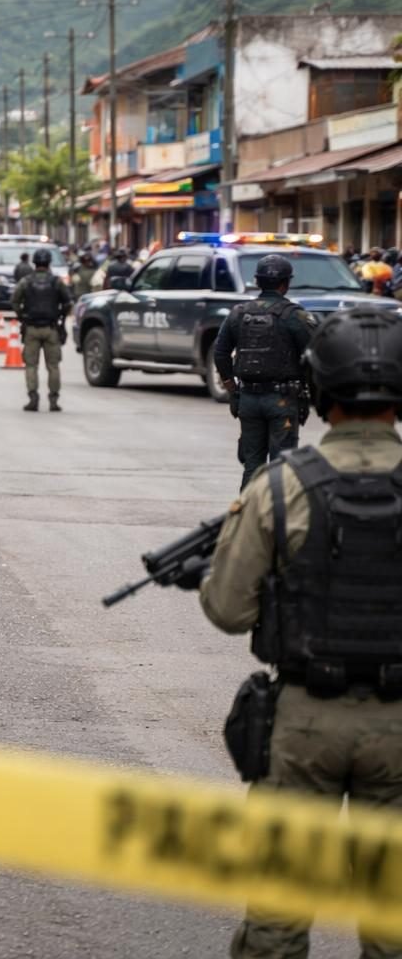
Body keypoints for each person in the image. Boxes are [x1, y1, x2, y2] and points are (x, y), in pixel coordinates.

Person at [197, 306, 402, 959]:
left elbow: (227, 609)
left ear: (317, 392)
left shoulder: (280, 486)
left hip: (304, 724)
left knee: (278, 924)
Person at [213, 254, 314, 488]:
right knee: (281, 468)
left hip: (247, 399)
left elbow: (220, 353)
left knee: (252, 465)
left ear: (257, 282)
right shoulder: (294, 315)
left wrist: (232, 389)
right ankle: (276, 519)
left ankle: (248, 518)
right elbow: (315, 353)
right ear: (285, 283)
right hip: (282, 400)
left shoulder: (238, 313)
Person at [11, 247, 73, 412]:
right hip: (51, 328)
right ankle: (53, 400)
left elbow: (15, 300)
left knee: (31, 365)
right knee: (53, 366)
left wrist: (22, 316)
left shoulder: (26, 281)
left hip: (31, 328)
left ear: (35, 262)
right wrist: (61, 317)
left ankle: (33, 398)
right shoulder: (56, 281)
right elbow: (68, 302)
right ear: (48, 263)